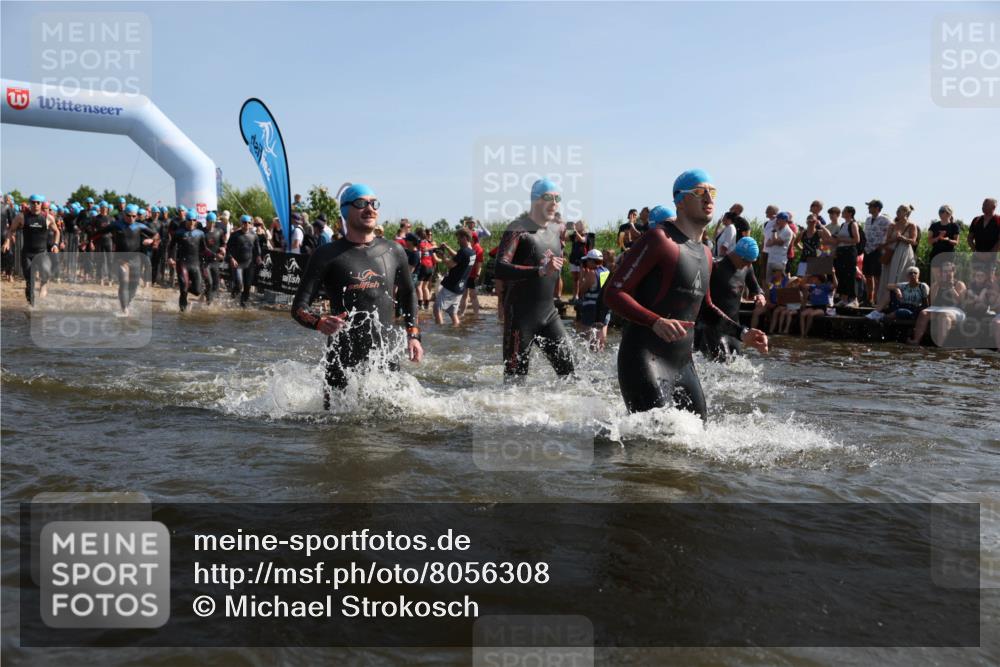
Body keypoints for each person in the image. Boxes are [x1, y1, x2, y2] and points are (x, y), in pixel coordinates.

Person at [604, 169, 768, 418]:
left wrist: (742, 333)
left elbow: (704, 310)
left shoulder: (706, 253)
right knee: (652, 443)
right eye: (700, 192)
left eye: (713, 193)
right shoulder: (659, 239)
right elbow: (614, 293)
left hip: (683, 364)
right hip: (644, 357)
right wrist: (655, 321)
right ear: (680, 200)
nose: (709, 199)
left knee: (696, 439)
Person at [291, 183, 422, 408]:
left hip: (385, 357)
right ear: (345, 210)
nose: (369, 208)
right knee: (336, 434)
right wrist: (319, 322)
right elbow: (299, 308)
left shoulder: (394, 251)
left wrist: (414, 335)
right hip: (342, 359)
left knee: (389, 432)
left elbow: (409, 293)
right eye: (361, 203)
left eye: (373, 203)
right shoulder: (326, 254)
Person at [494, 178, 575, 380]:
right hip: (520, 318)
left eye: (558, 198)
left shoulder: (559, 229)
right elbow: (500, 267)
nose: (554, 203)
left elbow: (559, 248)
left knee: (571, 375)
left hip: (549, 315)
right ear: (535, 200)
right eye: (548, 197)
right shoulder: (518, 228)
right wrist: (539, 270)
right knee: (514, 383)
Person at [695, 237, 766, 361]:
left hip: (733, 328)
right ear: (737, 254)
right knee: (714, 365)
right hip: (711, 326)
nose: (749, 264)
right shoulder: (715, 266)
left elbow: (756, 288)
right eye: (747, 261)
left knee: (735, 367)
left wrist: (760, 295)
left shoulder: (747, 267)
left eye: (751, 262)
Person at [2, 194, 60, 304]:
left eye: (38, 202)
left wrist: (55, 244)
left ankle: (41, 298)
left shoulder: (48, 217)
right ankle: (31, 303)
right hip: (27, 254)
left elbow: (57, 231)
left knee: (44, 278)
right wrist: (7, 241)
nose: (35, 205)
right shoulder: (22, 217)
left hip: (42, 253)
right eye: (33, 202)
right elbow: (11, 230)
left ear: (41, 204)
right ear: (30, 203)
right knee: (30, 280)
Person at [110, 203, 156, 314]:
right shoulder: (117, 224)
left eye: (134, 216)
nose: (132, 218)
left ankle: (126, 303)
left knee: (134, 285)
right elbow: (100, 232)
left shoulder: (141, 226)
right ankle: (124, 309)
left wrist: (152, 241)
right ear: (124, 215)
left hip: (136, 258)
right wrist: (89, 241)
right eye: (129, 216)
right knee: (124, 282)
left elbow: (156, 235)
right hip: (121, 259)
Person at [907, 261, 967, 345]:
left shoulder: (959, 284)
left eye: (949, 271)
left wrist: (951, 288)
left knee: (944, 315)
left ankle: (940, 344)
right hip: (938, 308)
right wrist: (937, 285)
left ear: (954, 272)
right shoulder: (937, 284)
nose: (947, 273)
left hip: (955, 310)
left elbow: (960, 302)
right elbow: (931, 302)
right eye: (945, 271)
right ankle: (916, 340)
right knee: (923, 313)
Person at [875, 204, 918, 311]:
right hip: (892, 251)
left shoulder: (911, 225)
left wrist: (902, 238)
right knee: (889, 274)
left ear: (905, 213)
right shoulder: (892, 226)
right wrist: (895, 239)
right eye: (897, 211)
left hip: (904, 252)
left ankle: (900, 301)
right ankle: (885, 302)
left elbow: (913, 241)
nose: (897, 213)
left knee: (902, 275)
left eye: (899, 211)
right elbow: (887, 240)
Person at [167, 212, 210, 312]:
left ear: (196, 221)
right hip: (182, 263)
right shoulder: (179, 233)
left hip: (195, 264)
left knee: (198, 291)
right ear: (186, 220)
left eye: (194, 220)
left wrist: (215, 256)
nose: (192, 222)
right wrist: (170, 258)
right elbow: (171, 246)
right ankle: (183, 312)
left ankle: (185, 287)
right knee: (184, 290)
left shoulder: (200, 233)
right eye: (190, 220)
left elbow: (204, 249)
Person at [433, 228, 476, 326]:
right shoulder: (471, 252)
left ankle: (439, 332)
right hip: (460, 288)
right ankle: (456, 331)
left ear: (464, 238)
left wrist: (442, 255)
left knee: (437, 309)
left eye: (459, 239)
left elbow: (450, 264)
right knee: (453, 313)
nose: (457, 241)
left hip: (451, 286)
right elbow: (458, 256)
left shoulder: (464, 252)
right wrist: (447, 248)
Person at [574, 249, 611, 351]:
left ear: (592, 261)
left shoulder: (592, 274)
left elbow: (581, 291)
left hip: (591, 308)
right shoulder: (607, 272)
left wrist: (582, 275)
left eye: (587, 261)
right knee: (601, 341)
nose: (585, 263)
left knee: (587, 341)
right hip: (604, 308)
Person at [862, 199, 891, 306]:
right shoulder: (868, 219)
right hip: (867, 250)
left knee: (878, 276)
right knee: (868, 275)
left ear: (877, 208)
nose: (869, 208)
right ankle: (869, 299)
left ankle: (878, 299)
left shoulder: (885, 220)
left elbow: (891, 231)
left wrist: (883, 244)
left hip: (878, 250)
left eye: (871, 206)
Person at [832, 205, 861, 307]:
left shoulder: (853, 224)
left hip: (849, 252)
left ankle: (853, 299)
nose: (842, 213)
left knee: (850, 275)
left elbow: (856, 240)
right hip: (841, 251)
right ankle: (844, 299)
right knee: (841, 275)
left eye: (844, 211)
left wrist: (841, 239)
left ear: (850, 213)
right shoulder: (843, 224)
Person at [928, 205, 961, 279]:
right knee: (937, 279)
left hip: (948, 255)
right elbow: (929, 241)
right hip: (936, 254)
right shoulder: (934, 226)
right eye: (939, 211)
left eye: (942, 211)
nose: (940, 213)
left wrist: (948, 240)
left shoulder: (954, 226)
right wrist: (938, 237)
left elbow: (956, 242)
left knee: (948, 278)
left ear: (949, 213)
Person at [202, 212, 227, 304]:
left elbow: (223, 243)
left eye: (213, 222)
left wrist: (223, 248)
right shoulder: (202, 232)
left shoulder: (219, 231)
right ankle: (209, 303)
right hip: (204, 262)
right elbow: (203, 249)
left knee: (216, 285)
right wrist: (215, 255)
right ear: (206, 221)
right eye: (210, 222)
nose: (212, 224)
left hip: (215, 262)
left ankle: (208, 299)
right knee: (210, 282)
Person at [458, 228, 484, 316]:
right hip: (466, 274)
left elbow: (479, 262)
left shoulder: (478, 248)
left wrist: (478, 274)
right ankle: (462, 313)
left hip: (471, 275)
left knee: (472, 295)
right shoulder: (470, 247)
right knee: (465, 294)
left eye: (469, 237)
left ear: (473, 238)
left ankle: (476, 313)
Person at [765, 212, 794, 277]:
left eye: (779, 219)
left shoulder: (788, 231)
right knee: (768, 281)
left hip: (779, 261)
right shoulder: (777, 229)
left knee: (778, 282)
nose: (777, 221)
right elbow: (767, 243)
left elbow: (775, 241)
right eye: (777, 219)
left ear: (785, 220)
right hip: (771, 258)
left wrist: (774, 231)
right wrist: (774, 241)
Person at [758, 204, 780, 284]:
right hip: (765, 252)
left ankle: (773, 294)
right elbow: (764, 238)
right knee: (763, 275)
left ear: (774, 212)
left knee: (773, 276)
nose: (765, 212)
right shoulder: (767, 223)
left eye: (768, 210)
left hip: (773, 253)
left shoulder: (778, 221)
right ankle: (765, 294)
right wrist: (761, 251)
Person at [415, 228, 436, 310]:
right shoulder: (428, 243)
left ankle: (420, 305)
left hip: (423, 266)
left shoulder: (419, 243)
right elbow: (434, 246)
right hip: (430, 266)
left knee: (419, 287)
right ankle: (426, 305)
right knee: (425, 287)